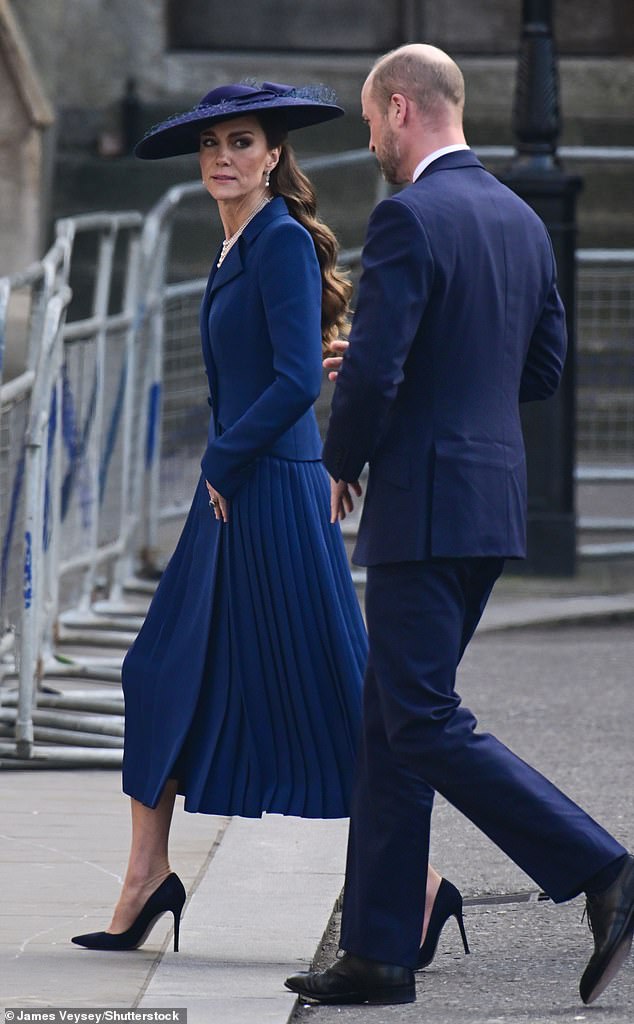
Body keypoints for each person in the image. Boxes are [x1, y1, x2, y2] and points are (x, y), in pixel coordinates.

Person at [285, 45, 634, 1008]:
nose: (370, 142)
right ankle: (380, 951)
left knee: (422, 720)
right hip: (490, 502)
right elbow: (541, 368)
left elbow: (381, 373)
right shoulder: (520, 221)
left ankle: (603, 868)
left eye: (368, 122)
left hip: (424, 505)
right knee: (391, 721)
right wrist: (444, 387)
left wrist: (341, 460)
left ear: (400, 108)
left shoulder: (407, 217)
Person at [70, 81, 452, 957]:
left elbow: (296, 379)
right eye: (211, 147)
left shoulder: (276, 239)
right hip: (237, 490)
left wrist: (222, 459)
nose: (222, 159)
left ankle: (421, 884)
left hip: (265, 489)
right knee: (159, 671)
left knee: (329, 690)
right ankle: (147, 875)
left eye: (241, 143)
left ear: (274, 155)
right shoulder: (237, 240)